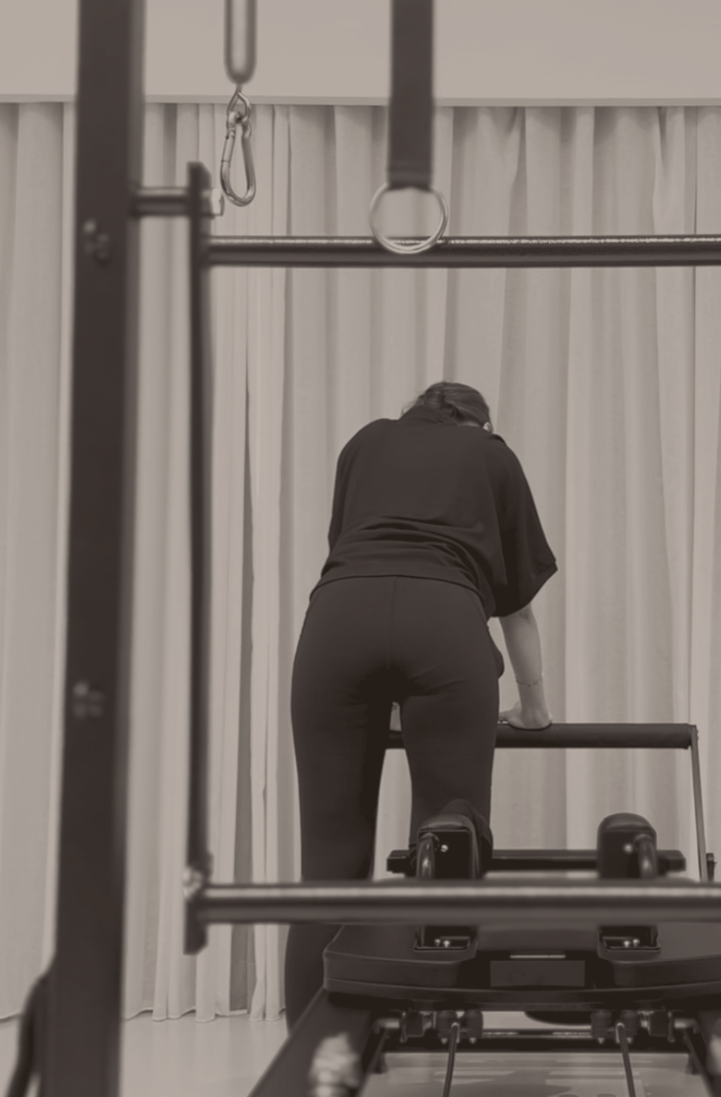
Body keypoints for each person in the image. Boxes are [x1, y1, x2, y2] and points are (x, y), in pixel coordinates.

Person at [283, 381, 557, 1028]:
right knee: (449, 852)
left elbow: (360, 562)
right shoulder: (491, 455)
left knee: (327, 867)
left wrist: (388, 687)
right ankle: (441, 1041)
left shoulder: (364, 444)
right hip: (445, 626)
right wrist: (533, 707)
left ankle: (311, 1051)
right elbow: (517, 610)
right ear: (476, 423)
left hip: (336, 627)